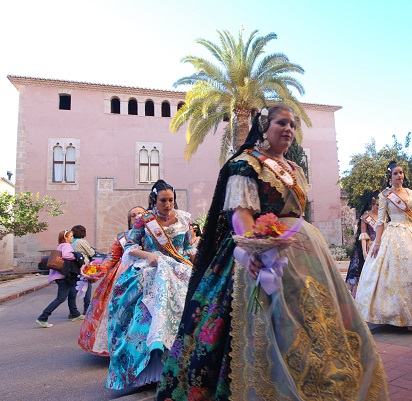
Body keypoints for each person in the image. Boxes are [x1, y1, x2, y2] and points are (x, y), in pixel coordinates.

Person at [157, 105, 388, 400]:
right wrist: (255, 251)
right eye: (282, 122)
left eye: (293, 124)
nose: (289, 129)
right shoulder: (246, 164)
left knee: (315, 320)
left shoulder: (295, 169)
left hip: (304, 253)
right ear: (264, 126)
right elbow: (241, 217)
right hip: (261, 252)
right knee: (264, 325)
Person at [106, 180, 195, 390]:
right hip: (152, 271)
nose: (168, 204)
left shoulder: (183, 219)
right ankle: (150, 369)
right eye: (163, 200)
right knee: (142, 315)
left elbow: (189, 247)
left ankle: (183, 367)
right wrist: (149, 255)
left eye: (171, 200)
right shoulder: (145, 221)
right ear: (154, 199)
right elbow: (130, 246)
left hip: (180, 271)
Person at [354, 162, 412, 331]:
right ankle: (402, 316)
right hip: (394, 233)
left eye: (401, 173)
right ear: (390, 177)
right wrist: (378, 242)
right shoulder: (385, 195)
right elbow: (380, 221)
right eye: (396, 173)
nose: (399, 176)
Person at [78, 206, 146, 356]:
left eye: (140, 214)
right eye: (133, 215)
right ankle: (116, 347)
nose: (136, 217)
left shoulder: (152, 234)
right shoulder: (122, 237)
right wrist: (97, 271)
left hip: (146, 273)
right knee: (118, 310)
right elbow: (112, 257)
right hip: (122, 276)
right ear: (129, 220)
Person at [36, 230, 85, 327]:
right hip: (63, 276)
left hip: (61, 275)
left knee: (72, 293)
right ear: (65, 237)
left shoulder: (60, 246)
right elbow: (66, 255)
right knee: (61, 298)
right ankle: (43, 317)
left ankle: (75, 314)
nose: (72, 237)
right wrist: (76, 256)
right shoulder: (66, 245)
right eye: (70, 236)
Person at [345, 193, 379, 297]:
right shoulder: (365, 217)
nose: (378, 207)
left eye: (380, 205)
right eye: (377, 204)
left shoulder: (384, 216)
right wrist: (364, 251)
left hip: (381, 245)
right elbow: (364, 235)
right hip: (370, 246)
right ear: (372, 204)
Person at [71, 225, 95, 313]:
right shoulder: (82, 242)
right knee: (87, 286)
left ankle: (72, 310)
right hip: (84, 266)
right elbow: (91, 253)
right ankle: (86, 308)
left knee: (73, 287)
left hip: (73, 266)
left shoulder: (70, 242)